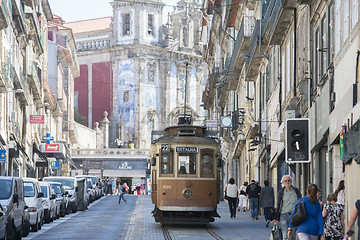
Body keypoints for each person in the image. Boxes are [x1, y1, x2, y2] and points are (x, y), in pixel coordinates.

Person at [274, 175, 302, 240]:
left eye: (289, 180)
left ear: (291, 181)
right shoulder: (281, 192)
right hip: (284, 215)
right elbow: (278, 205)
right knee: (285, 235)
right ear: (283, 183)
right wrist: (276, 218)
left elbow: (301, 202)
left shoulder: (296, 191)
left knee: (293, 235)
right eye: (285, 181)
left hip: (294, 216)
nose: (287, 182)